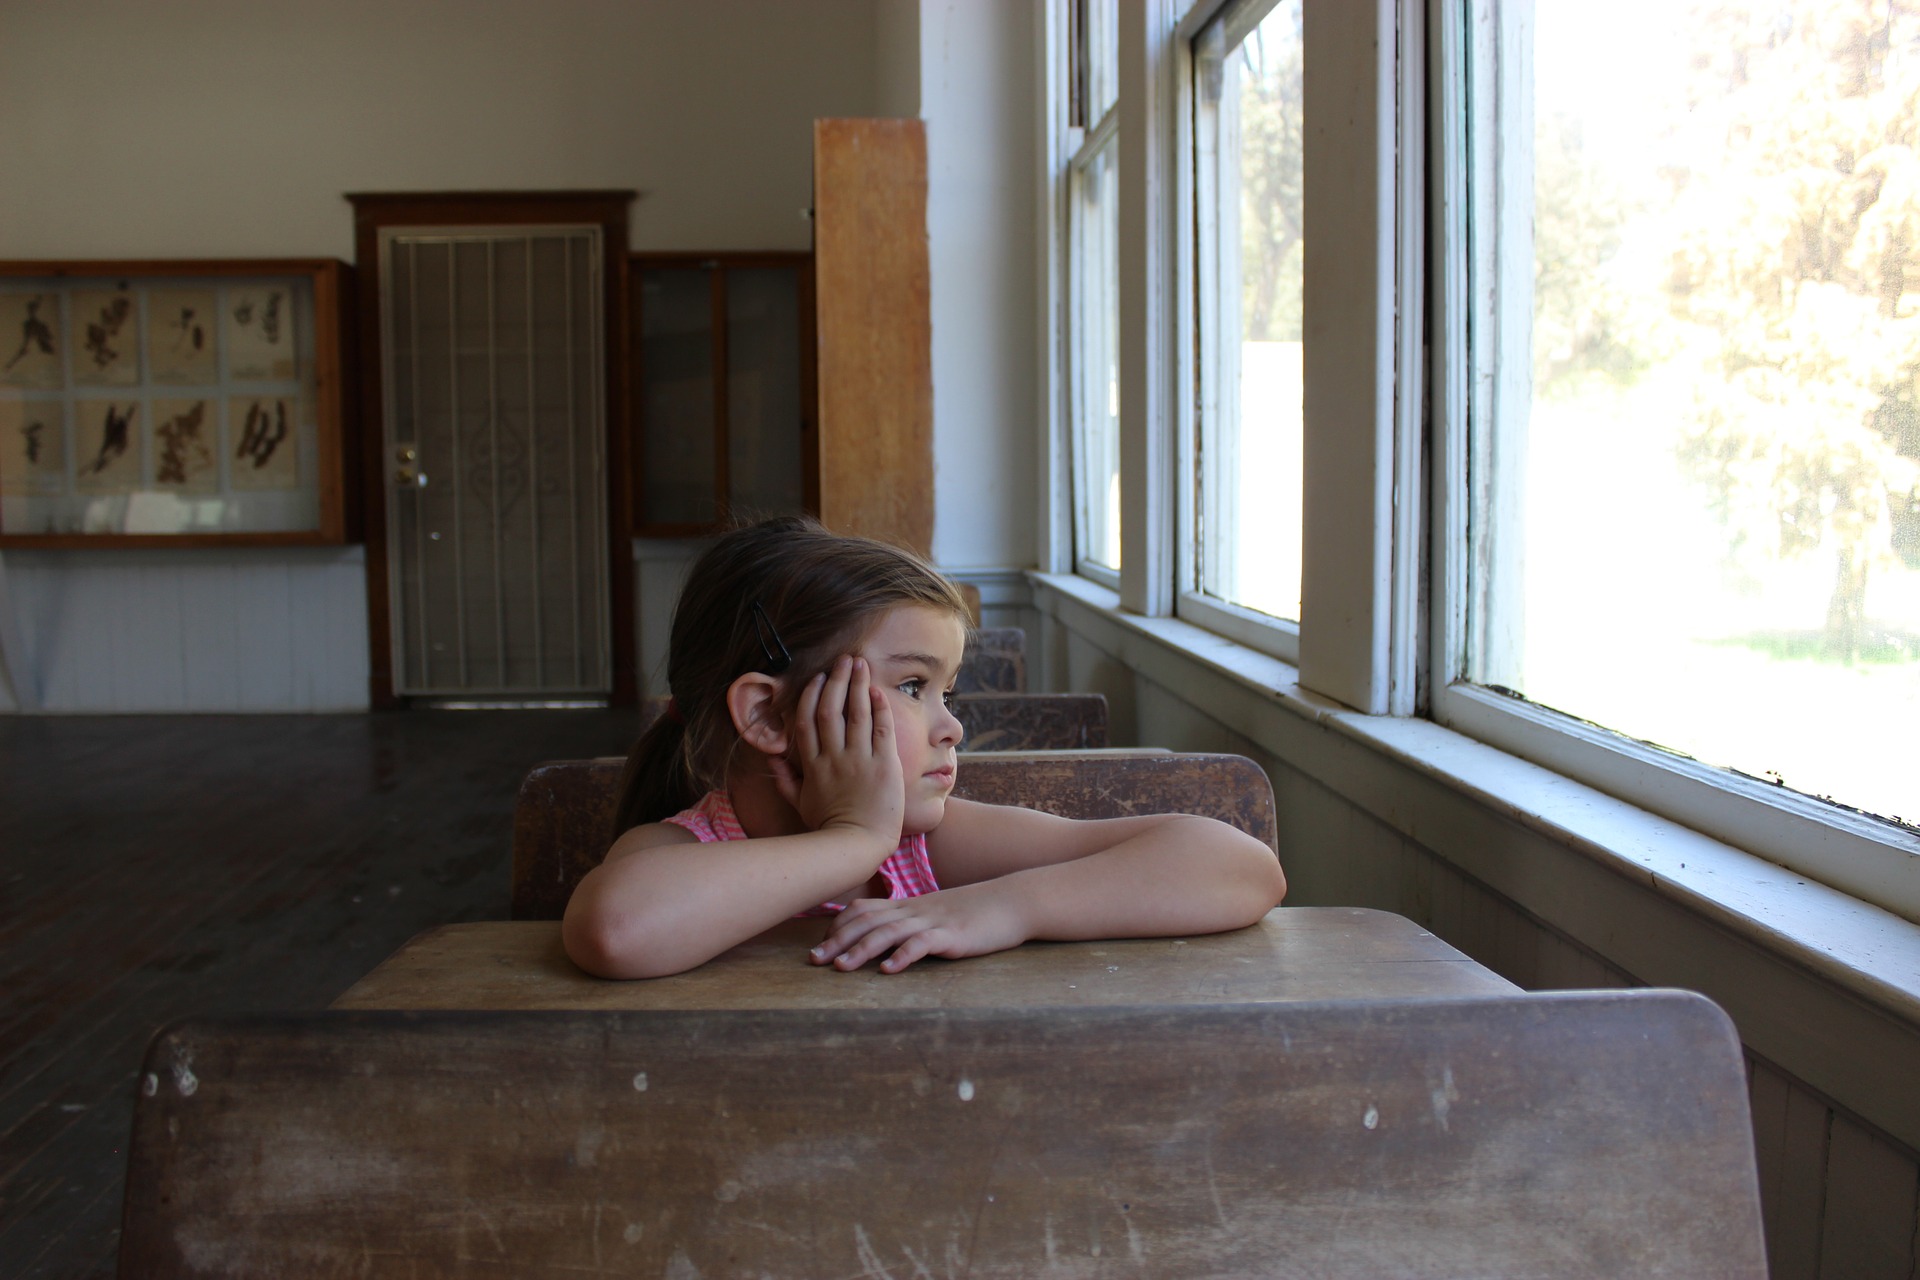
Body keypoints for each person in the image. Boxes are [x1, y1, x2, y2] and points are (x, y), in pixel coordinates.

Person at [563, 516, 1287, 980]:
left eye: (949, 693)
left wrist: (1004, 909)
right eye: (912, 687)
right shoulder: (682, 848)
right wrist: (854, 838)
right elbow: (619, 931)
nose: (952, 727)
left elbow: (1240, 868)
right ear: (767, 714)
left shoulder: (925, 851)